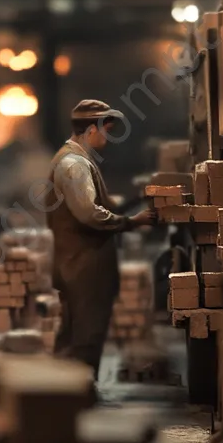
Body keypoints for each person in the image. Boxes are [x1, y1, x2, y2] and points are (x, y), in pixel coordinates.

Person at [43, 99, 157, 380]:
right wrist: (131, 222)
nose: (106, 137)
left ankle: (61, 398)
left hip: (77, 267)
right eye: (105, 130)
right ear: (92, 129)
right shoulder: (74, 164)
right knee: (85, 339)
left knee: (73, 338)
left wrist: (121, 203)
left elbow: (86, 205)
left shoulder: (74, 160)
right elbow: (89, 214)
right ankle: (74, 401)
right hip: (84, 269)